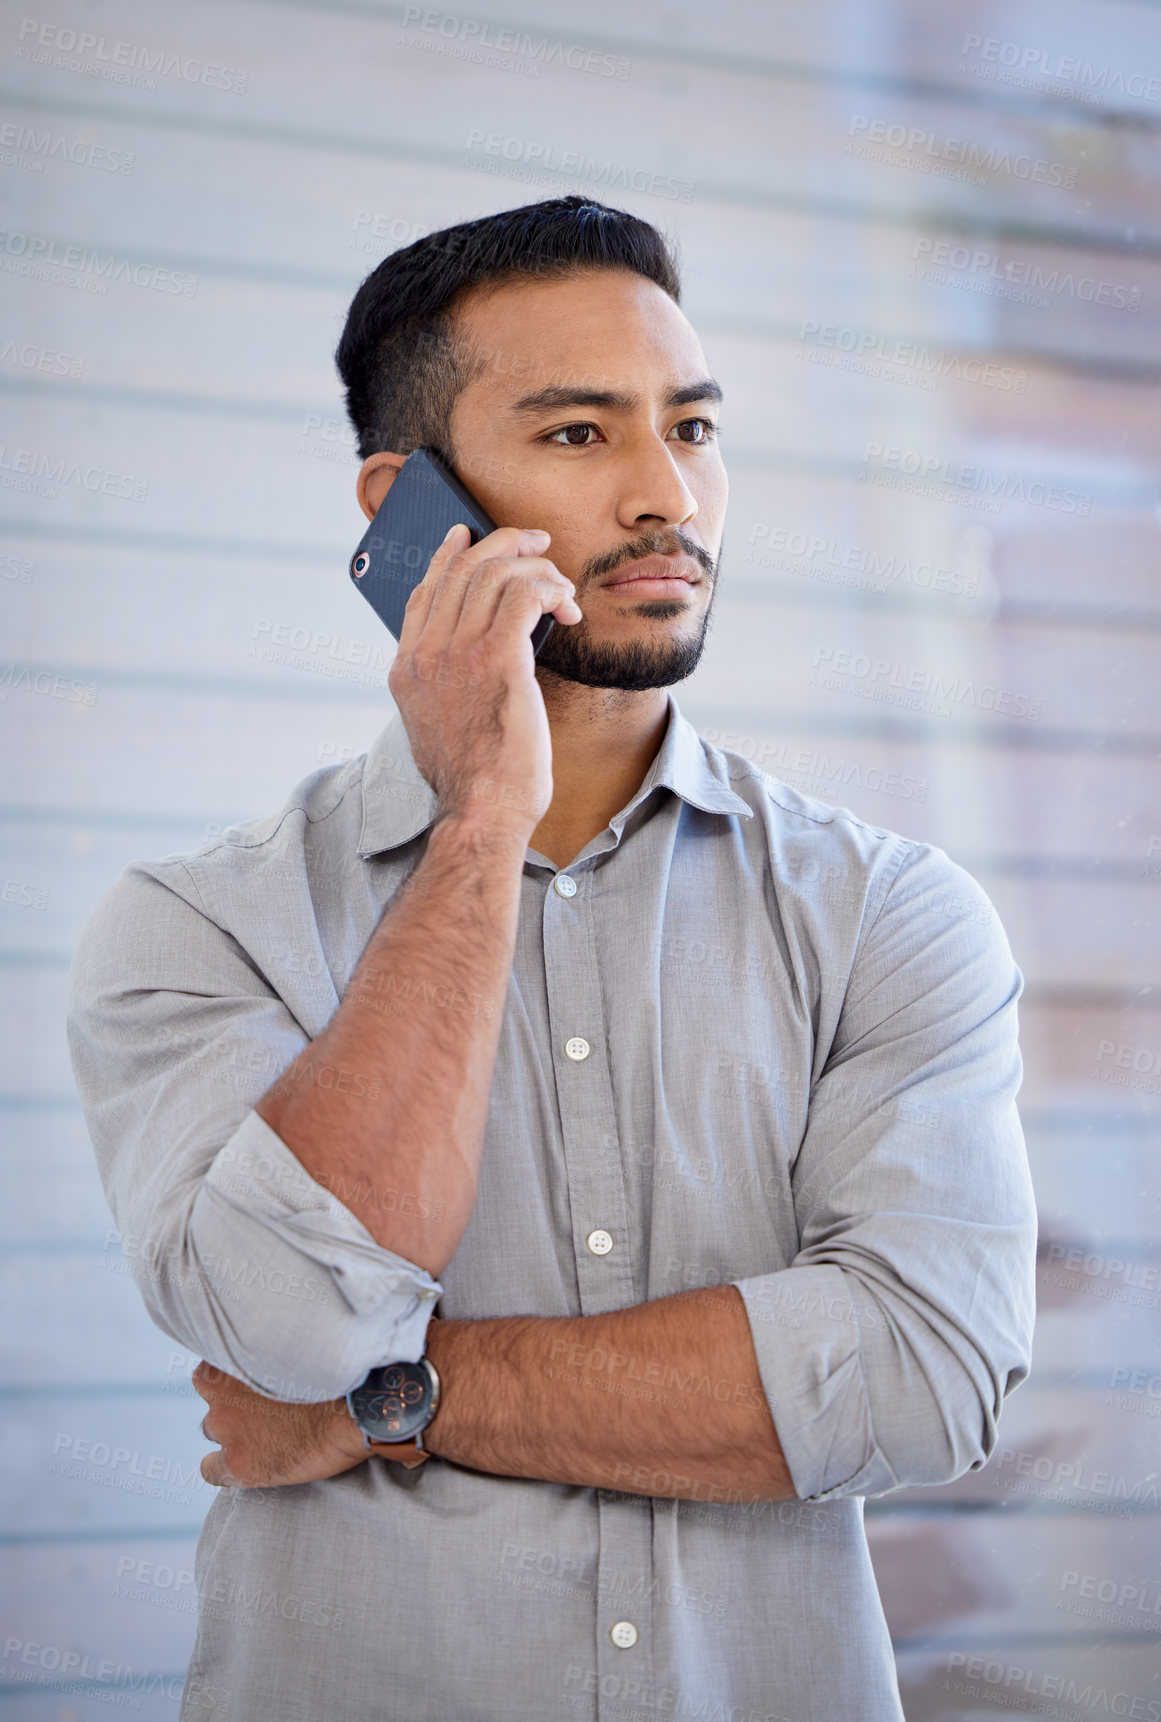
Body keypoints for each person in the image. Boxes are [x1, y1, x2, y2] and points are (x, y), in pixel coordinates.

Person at [67, 195, 1037, 1722]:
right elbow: (294, 1322)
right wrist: (481, 824)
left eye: (693, 429)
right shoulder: (199, 925)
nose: (669, 496)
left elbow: (921, 1374)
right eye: (581, 437)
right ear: (408, 507)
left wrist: (398, 1401)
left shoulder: (888, 913)